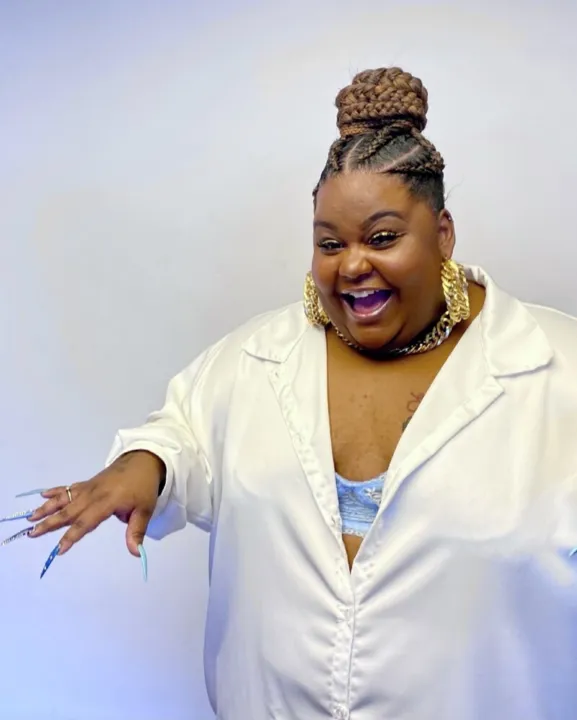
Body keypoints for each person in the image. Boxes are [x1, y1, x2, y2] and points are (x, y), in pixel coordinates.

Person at [9, 67, 577, 719]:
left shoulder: (553, 367)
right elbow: (184, 434)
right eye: (330, 243)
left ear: (442, 233)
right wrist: (147, 465)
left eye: (383, 237)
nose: (352, 264)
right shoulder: (255, 357)